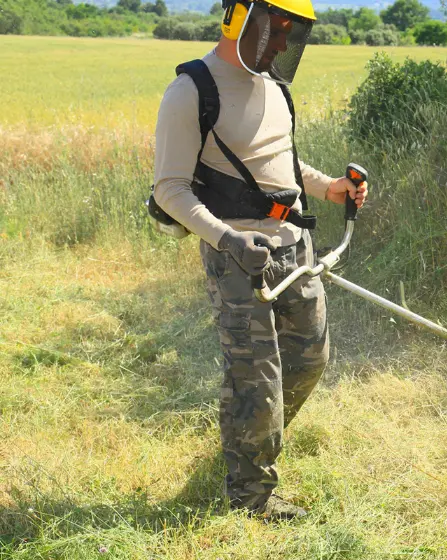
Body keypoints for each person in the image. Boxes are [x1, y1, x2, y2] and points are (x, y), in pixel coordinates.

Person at [152, 0, 368, 520]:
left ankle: (252, 440)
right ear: (240, 19)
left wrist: (331, 189)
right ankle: (251, 497)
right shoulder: (191, 92)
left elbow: (282, 162)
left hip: (295, 245)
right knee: (256, 378)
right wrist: (227, 240)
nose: (281, 46)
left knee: (310, 359)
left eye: (292, 36)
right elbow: (170, 190)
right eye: (275, 31)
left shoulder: (273, 86)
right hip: (237, 259)